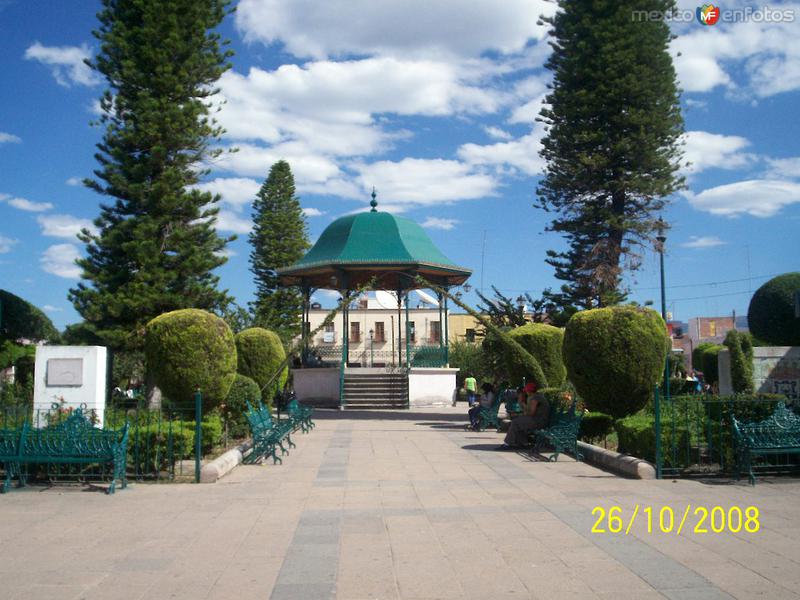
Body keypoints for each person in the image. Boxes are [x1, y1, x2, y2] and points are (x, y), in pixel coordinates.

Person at [498, 382, 550, 449]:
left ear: (528, 391)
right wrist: (521, 403)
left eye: (526, 391)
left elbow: (531, 413)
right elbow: (528, 411)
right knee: (517, 421)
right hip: (536, 419)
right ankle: (523, 443)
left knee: (515, 422)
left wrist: (522, 410)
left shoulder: (535, 398)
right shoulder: (533, 396)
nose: (525, 392)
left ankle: (507, 444)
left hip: (539, 421)